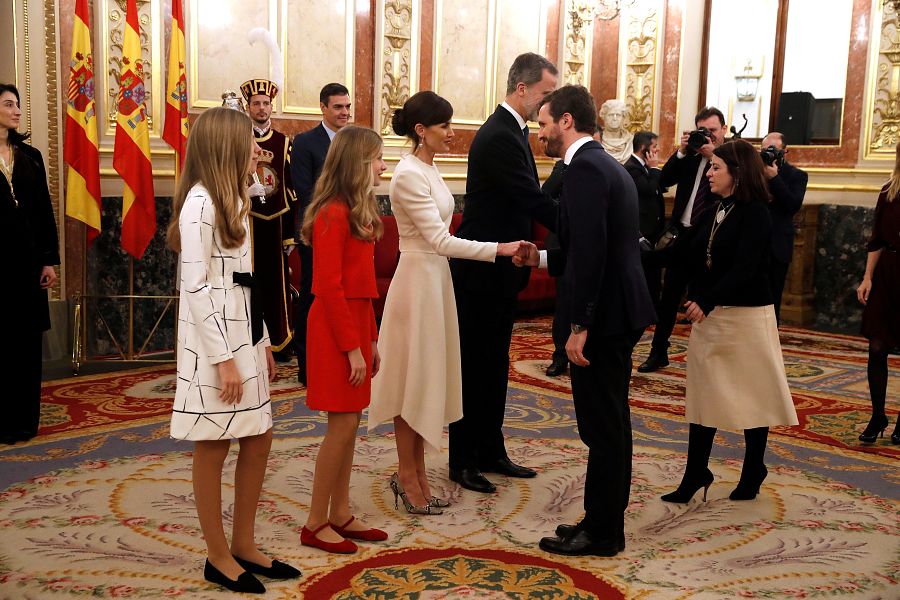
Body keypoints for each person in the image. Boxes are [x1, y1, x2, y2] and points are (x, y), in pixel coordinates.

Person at [368, 91, 526, 514]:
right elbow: (439, 241)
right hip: (417, 282)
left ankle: (417, 472)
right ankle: (407, 473)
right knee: (409, 381)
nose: (451, 133)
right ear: (421, 130)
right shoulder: (407, 174)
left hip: (436, 282)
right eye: (444, 126)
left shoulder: (429, 169)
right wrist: (501, 248)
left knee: (425, 378)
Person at [517, 85, 655, 556]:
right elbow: (579, 245)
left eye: (544, 123)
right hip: (618, 310)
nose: (541, 133)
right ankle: (601, 519)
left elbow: (593, 254)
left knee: (603, 428)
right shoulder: (599, 166)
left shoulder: (585, 170)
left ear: (567, 121)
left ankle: (603, 533)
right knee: (610, 423)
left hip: (607, 316)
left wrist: (580, 325)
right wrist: (536, 259)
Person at [167, 107, 300, 594]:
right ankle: (217, 555)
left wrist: (262, 340)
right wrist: (223, 358)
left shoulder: (237, 199)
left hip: (243, 332)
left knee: (258, 434)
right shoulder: (200, 204)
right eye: (249, 142)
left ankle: (244, 542)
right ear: (226, 146)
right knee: (214, 442)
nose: (257, 149)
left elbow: (248, 283)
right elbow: (196, 288)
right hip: (211, 344)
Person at [661, 139, 798, 505]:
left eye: (716, 168)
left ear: (737, 173)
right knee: (703, 394)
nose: (709, 173)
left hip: (746, 316)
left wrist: (706, 299)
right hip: (713, 315)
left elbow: (747, 268)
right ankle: (696, 473)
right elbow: (688, 250)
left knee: (753, 394)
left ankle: (753, 468)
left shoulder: (756, 212)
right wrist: (644, 251)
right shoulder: (718, 209)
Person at [448, 52, 559, 494]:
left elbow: (531, 195)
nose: (547, 104)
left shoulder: (513, 132)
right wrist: (582, 225)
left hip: (500, 272)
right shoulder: (498, 135)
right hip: (480, 272)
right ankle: (463, 460)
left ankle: (491, 450)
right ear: (522, 88)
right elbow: (530, 197)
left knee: (493, 366)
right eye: (545, 94)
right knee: (473, 368)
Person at [298, 125, 389, 553]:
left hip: (355, 322)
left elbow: (365, 285)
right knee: (341, 425)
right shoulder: (333, 212)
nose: (382, 166)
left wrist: (370, 338)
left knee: (350, 424)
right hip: (333, 328)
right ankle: (316, 521)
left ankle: (340, 511)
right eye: (377, 159)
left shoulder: (357, 211)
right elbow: (329, 288)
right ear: (357, 163)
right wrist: (351, 346)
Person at [638, 107, 726, 373]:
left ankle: (708, 361)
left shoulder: (729, 159)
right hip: (681, 235)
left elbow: (740, 185)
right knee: (669, 299)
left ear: (723, 130)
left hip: (711, 239)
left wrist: (714, 156)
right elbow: (663, 180)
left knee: (703, 302)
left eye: (712, 131)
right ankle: (658, 352)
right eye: (702, 131)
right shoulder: (688, 157)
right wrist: (680, 152)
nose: (707, 136)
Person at [0, 83, 59, 445]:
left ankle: (25, 421)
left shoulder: (31, 155)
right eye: (8, 104)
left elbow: (44, 213)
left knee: (25, 344)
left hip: (27, 266)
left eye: (18, 105)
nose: (16, 110)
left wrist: (50, 261)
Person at [291, 83, 352, 385]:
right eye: (339, 107)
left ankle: (339, 359)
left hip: (349, 232)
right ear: (323, 108)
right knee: (314, 298)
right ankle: (307, 366)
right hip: (316, 232)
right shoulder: (304, 143)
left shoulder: (352, 142)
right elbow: (305, 190)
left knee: (342, 298)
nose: (345, 112)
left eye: (347, 107)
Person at [240, 79, 296, 360]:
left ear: (271, 106)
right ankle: (249, 342)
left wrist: (290, 234)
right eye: (256, 103)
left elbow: (289, 188)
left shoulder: (284, 141)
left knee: (276, 283)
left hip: (275, 223)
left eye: (265, 103)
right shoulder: (238, 138)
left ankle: (280, 342)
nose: (261, 108)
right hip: (246, 221)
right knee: (250, 283)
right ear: (248, 107)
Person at [856, 141, 900, 445]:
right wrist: (867, 277)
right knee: (876, 347)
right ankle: (877, 415)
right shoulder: (889, 191)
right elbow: (876, 240)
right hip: (888, 273)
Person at [760, 131, 808, 321]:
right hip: (753, 241)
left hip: (777, 245)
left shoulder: (797, 175)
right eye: (764, 150)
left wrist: (774, 178)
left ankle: (770, 341)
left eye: (773, 150)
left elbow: (792, 205)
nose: (768, 153)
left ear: (785, 152)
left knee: (773, 297)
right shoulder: (753, 172)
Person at [624, 130, 665, 307]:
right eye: (654, 147)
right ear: (643, 148)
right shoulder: (632, 167)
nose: (657, 150)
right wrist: (655, 168)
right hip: (641, 230)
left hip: (651, 229)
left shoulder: (643, 167)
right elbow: (648, 189)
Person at [542, 159, 570, 377]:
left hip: (590, 245)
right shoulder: (562, 166)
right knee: (564, 304)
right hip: (562, 243)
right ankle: (560, 356)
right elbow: (546, 192)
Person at [598, 99, 633, 164]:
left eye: (618, 115)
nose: (614, 118)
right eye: (611, 115)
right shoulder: (597, 139)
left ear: (623, 117)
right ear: (604, 117)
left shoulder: (630, 140)